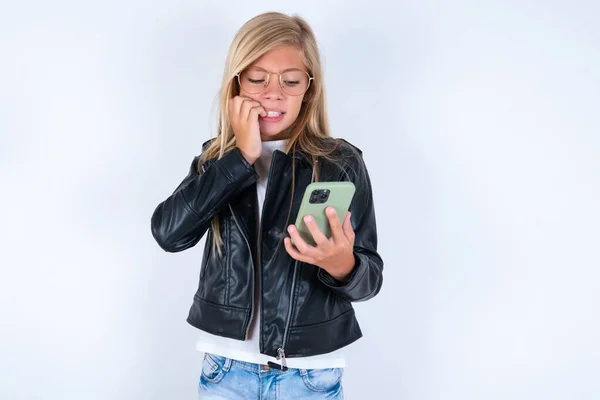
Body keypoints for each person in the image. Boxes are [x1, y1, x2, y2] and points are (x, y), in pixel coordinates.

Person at [150, 11, 384, 399]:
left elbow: (369, 278)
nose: (273, 93)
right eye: (258, 79)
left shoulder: (339, 163)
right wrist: (240, 157)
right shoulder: (216, 161)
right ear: (237, 83)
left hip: (311, 376)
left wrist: (340, 264)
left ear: (308, 88)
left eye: (290, 81)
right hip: (225, 371)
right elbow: (169, 233)